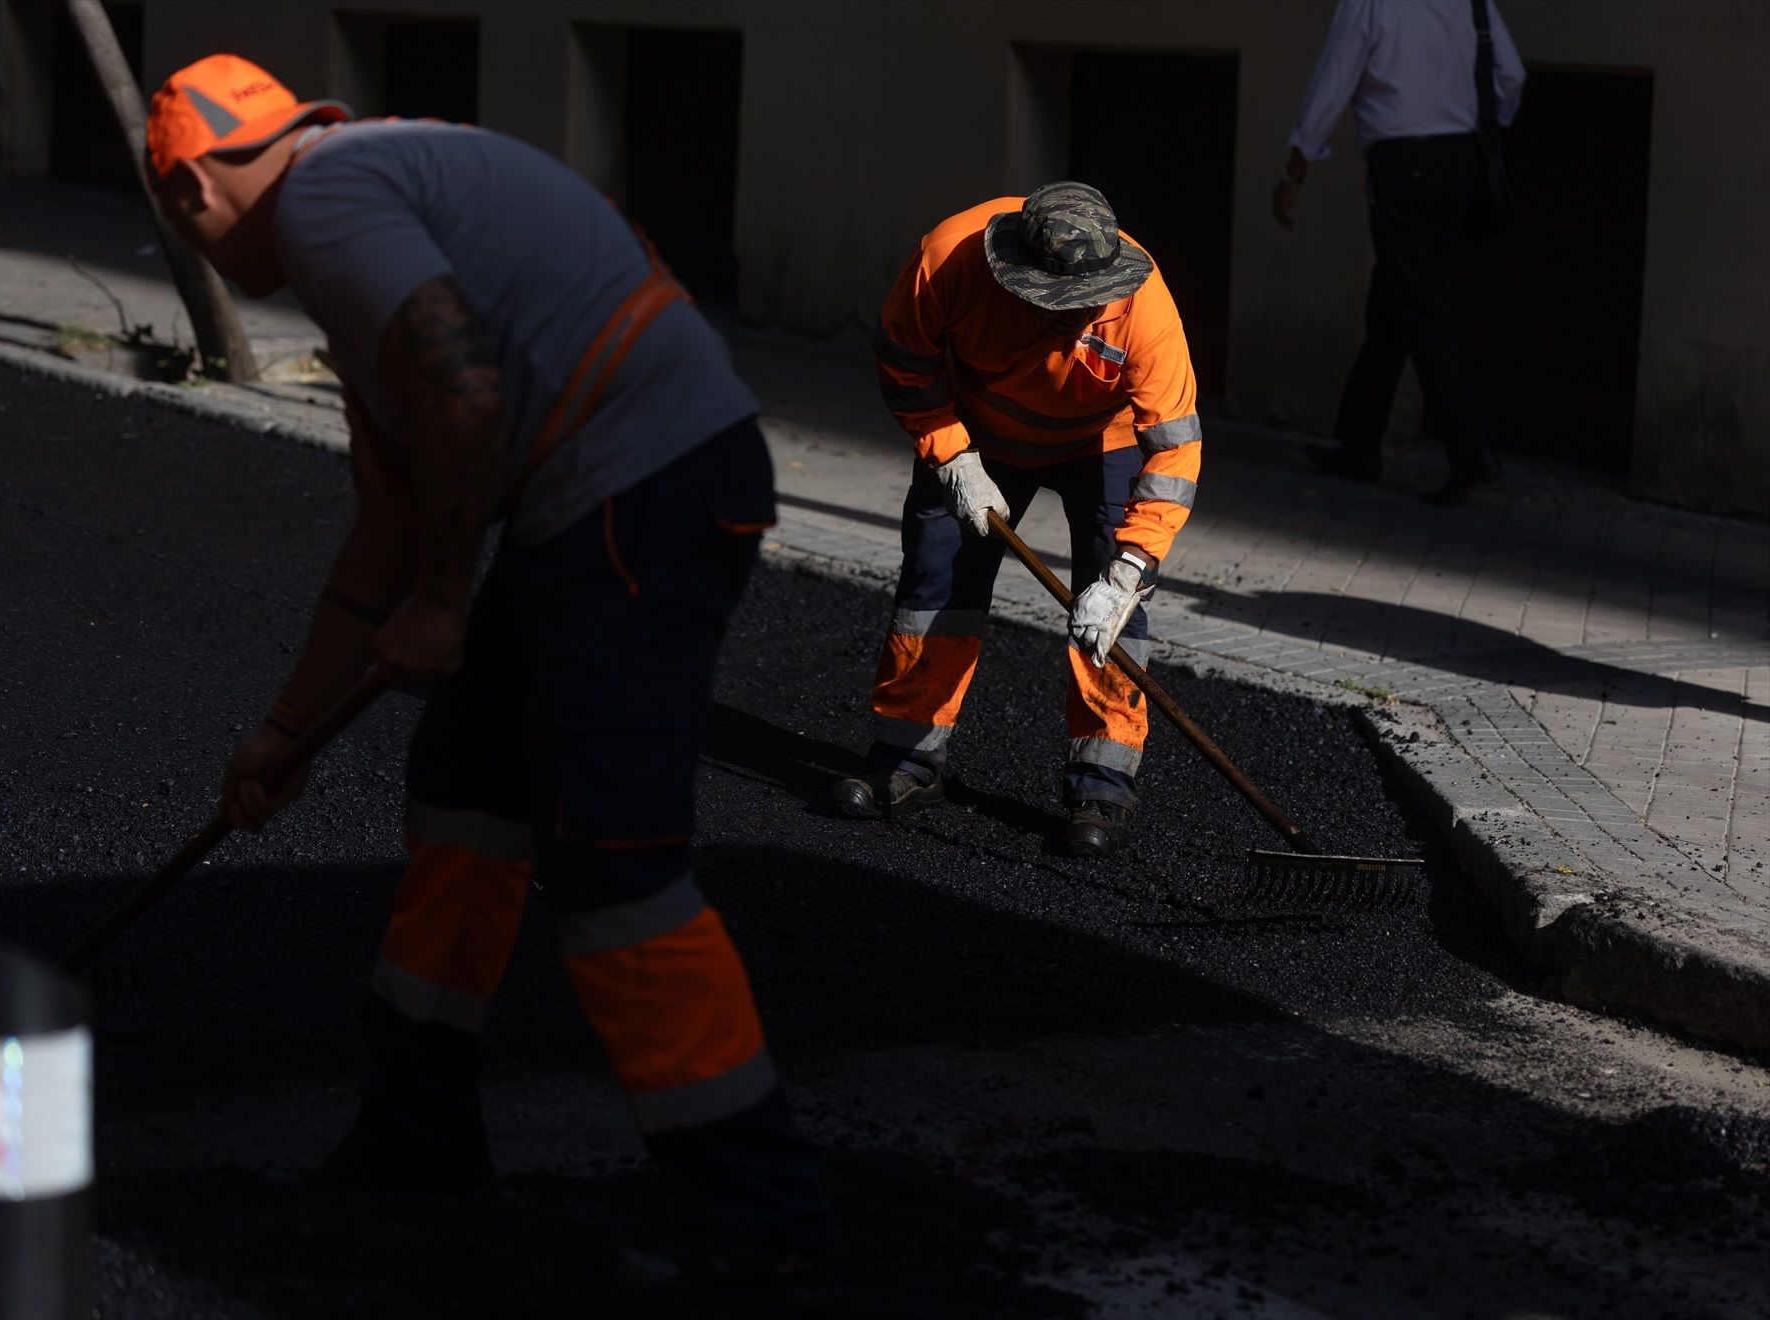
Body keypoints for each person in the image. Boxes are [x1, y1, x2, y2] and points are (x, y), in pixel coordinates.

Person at [142, 53, 824, 1279]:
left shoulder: (325, 207)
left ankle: (754, 1218)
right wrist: (286, 732)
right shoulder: (363, 208)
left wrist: (450, 602)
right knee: (464, 783)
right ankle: (419, 1130)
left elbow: (460, 395)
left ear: (191, 187)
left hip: (644, 486)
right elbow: (388, 527)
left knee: (613, 855)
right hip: (603, 495)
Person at [831, 182, 1201, 858]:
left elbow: (1175, 450)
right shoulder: (948, 259)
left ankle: (1103, 787)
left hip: (1104, 444)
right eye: (1052, 308)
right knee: (936, 589)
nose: (1071, 320)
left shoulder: (1145, 308)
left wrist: (1130, 570)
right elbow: (903, 362)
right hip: (976, 436)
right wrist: (953, 457)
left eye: (1083, 309)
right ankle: (906, 763)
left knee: (1113, 615)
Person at [1277, 0, 1526, 506]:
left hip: (1404, 166)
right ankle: (1360, 445)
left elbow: (1335, 78)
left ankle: (1470, 450)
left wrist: (1298, 164)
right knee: (1395, 296)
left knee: (1415, 303)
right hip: (1461, 162)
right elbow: (1512, 76)